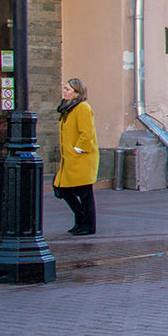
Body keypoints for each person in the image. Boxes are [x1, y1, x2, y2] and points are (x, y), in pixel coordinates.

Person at [54, 78, 97, 234]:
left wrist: (79, 149)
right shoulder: (67, 108)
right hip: (70, 158)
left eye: (68, 89)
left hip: (81, 158)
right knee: (62, 188)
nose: (64, 91)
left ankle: (88, 224)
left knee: (85, 193)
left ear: (77, 93)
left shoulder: (82, 107)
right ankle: (80, 218)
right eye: (64, 88)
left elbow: (87, 132)